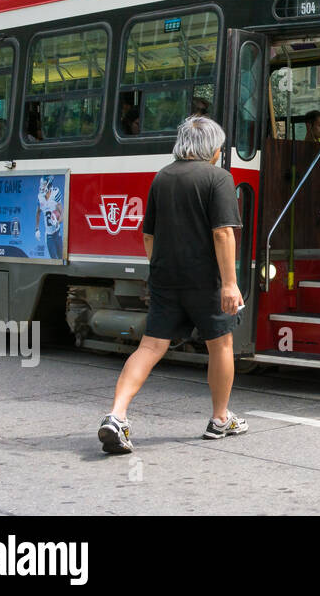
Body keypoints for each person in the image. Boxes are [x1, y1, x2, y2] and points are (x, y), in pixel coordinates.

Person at [97, 116, 245, 454]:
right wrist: (230, 283)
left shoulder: (162, 177)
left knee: (150, 347)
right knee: (220, 345)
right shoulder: (218, 177)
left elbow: (148, 235)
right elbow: (223, 232)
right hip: (206, 280)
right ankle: (220, 419)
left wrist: (160, 271)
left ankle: (117, 414)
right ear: (213, 149)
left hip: (165, 276)